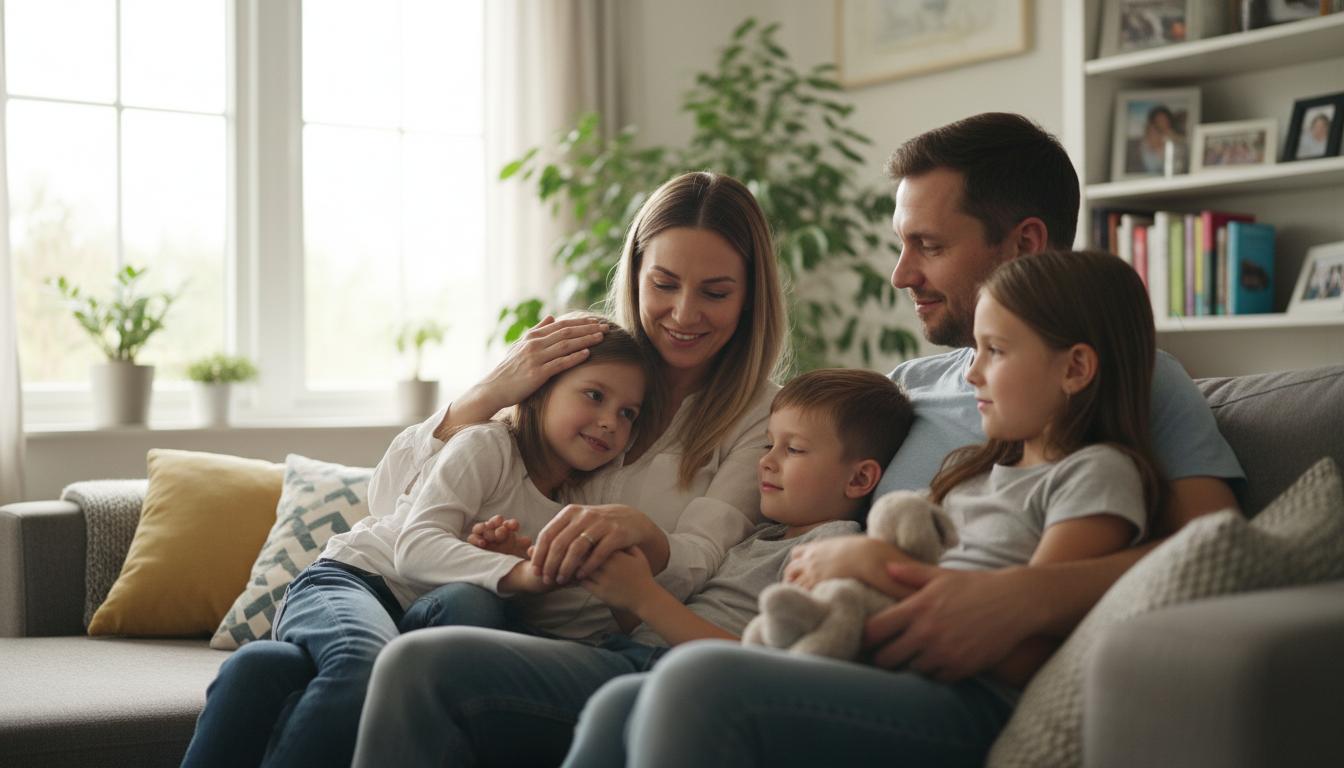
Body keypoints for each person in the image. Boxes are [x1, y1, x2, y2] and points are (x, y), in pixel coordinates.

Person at [566, 112, 1243, 766]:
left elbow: (1211, 551)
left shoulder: (1132, 384)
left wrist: (1012, 599)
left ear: (1025, 244)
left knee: (693, 684)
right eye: (902, 243)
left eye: (930, 245)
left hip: (942, 673)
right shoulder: (905, 389)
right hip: (837, 637)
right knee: (620, 701)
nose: (900, 274)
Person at [569, 249, 1164, 766]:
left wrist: (873, 569)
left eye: (996, 351)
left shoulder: (1095, 473)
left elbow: (1035, 646)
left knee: (695, 680)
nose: (974, 371)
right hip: (884, 670)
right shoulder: (975, 474)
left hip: (974, 704)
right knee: (618, 703)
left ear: (1076, 368)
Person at [345, 170, 788, 764]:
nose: (684, 313)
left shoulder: (758, 416)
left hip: (594, 647)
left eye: (715, 292)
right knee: (286, 668)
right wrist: (487, 396)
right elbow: (389, 503)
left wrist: (641, 536)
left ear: (750, 297)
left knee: (423, 659)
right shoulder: (586, 357)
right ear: (634, 275)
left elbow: (697, 562)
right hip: (491, 610)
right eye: (664, 283)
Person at [351, 369, 913, 767]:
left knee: (421, 660)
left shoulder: (836, 548)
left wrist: (644, 598)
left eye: (793, 450)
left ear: (860, 479)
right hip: (626, 657)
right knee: (424, 653)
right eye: (769, 443)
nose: (766, 460)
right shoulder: (761, 537)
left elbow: (768, 673)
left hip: (670, 681)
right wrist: (545, 562)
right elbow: (646, 620)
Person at [180, 318, 656, 768]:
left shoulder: (581, 501)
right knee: (358, 666)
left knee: (265, 664)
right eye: (594, 395)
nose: (610, 421)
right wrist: (523, 573)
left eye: (627, 413)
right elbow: (416, 546)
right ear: (541, 389)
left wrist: (518, 569)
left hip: (422, 615)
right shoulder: (488, 446)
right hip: (355, 582)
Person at [1125, 104, 1178, 174]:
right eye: (1158, 122)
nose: (1161, 126)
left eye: (1164, 122)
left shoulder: (1175, 145)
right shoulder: (1134, 145)